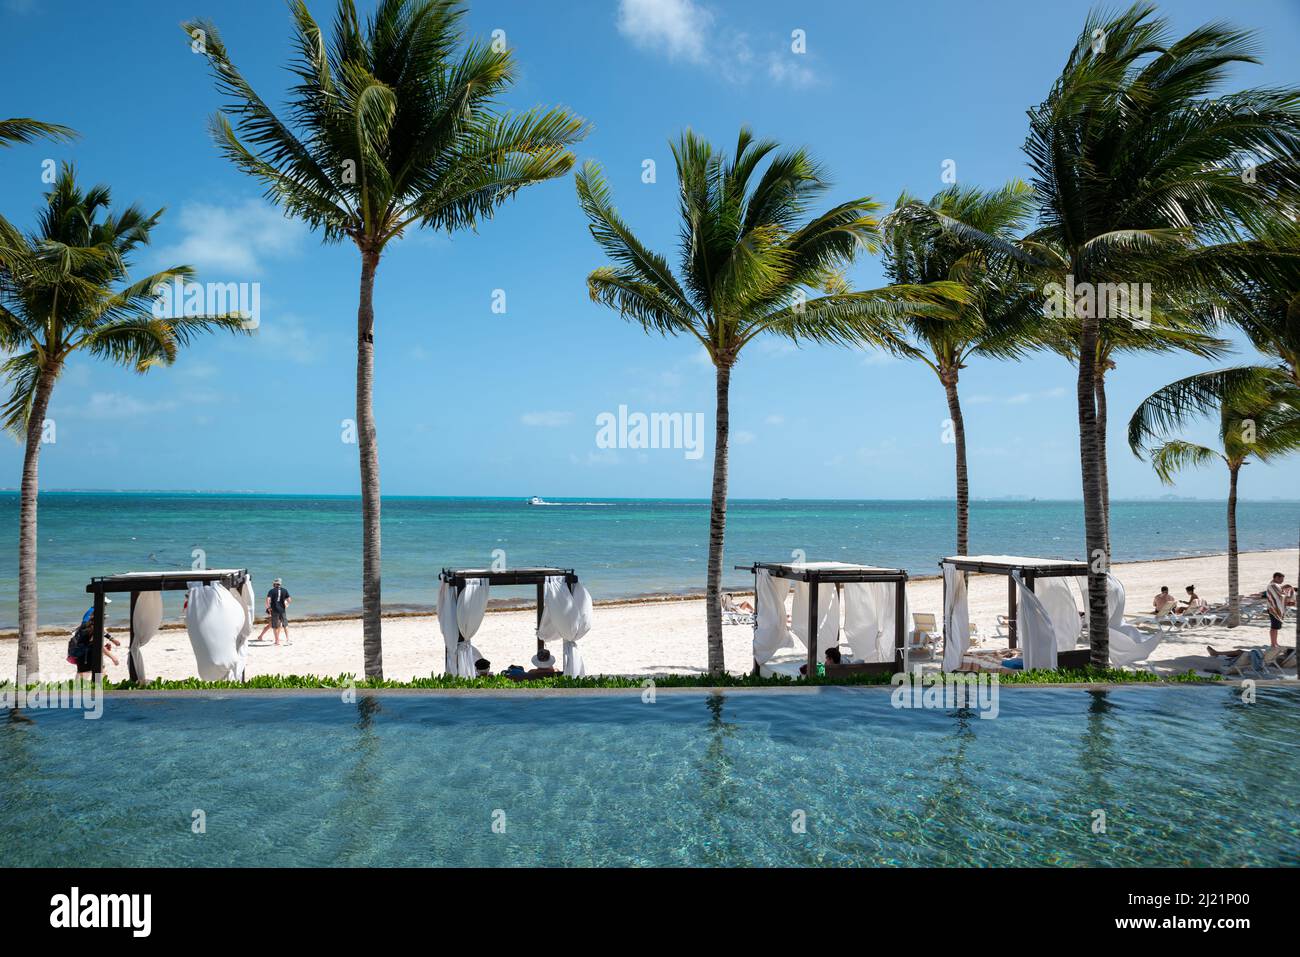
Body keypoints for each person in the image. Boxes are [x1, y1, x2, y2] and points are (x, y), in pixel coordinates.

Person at [257, 578, 292, 646]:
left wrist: (268, 608)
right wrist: (286, 605)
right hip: (282, 610)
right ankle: (288, 639)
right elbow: (289, 600)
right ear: (280, 584)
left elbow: (267, 600)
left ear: (274, 584)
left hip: (274, 610)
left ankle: (277, 641)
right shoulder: (285, 590)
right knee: (285, 625)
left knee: (275, 626)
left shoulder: (271, 591)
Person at [1266, 572, 1287, 648]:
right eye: (1281, 579)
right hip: (1274, 609)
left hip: (1276, 609)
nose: (1282, 581)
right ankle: (1273, 643)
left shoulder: (1275, 585)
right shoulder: (1272, 585)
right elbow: (1281, 595)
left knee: (1276, 627)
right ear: (1276, 577)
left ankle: (1275, 642)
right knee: (1274, 627)